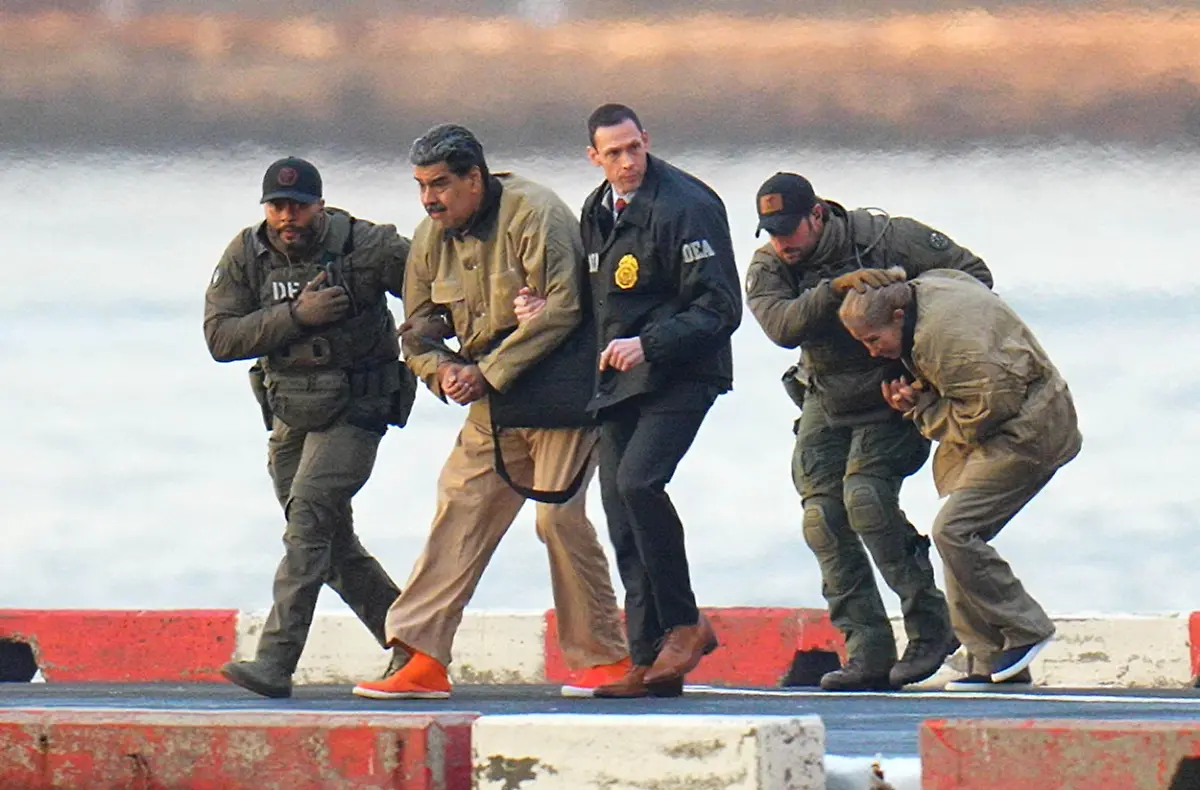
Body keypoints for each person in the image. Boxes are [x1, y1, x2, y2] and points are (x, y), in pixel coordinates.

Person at [350, 123, 629, 701]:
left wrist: (487, 372)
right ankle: (420, 656)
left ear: (475, 178)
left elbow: (564, 310)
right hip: (492, 407)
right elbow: (417, 328)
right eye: (421, 186)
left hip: (562, 399)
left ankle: (604, 657)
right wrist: (440, 370)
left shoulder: (536, 214)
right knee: (460, 509)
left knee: (558, 520)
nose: (430, 199)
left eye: (441, 185)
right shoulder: (431, 237)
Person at [744, 172, 994, 690]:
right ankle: (868, 651)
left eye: (790, 228)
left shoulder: (886, 239)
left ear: (817, 215)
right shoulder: (771, 264)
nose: (781, 241)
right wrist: (832, 290)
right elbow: (782, 326)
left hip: (893, 393)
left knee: (866, 499)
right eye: (771, 231)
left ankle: (932, 628)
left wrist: (913, 339)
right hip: (826, 394)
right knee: (822, 517)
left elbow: (974, 279)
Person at [204, 156, 415, 698]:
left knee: (308, 525)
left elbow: (436, 283)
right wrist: (297, 316)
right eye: (277, 206)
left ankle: (274, 662)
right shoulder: (247, 254)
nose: (287, 217)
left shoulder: (365, 246)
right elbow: (220, 339)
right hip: (292, 413)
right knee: (331, 544)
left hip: (356, 407)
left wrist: (430, 334)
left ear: (320, 205)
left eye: (298, 206)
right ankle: (416, 643)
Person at [839, 269, 1080, 690]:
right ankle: (991, 658)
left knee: (954, 530)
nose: (874, 352)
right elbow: (965, 273)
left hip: (1031, 432)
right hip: (1016, 421)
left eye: (874, 340)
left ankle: (1025, 629)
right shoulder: (928, 290)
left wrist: (920, 408)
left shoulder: (947, 343)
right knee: (956, 534)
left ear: (898, 315)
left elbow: (984, 413)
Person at [575, 103, 742, 697]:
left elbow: (722, 309)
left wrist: (648, 344)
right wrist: (544, 311)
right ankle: (648, 659)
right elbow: (597, 297)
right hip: (619, 381)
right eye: (613, 153)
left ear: (647, 140)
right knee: (621, 512)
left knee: (642, 482)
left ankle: (684, 623)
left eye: (633, 148)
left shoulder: (687, 205)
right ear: (594, 157)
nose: (626, 162)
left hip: (682, 373)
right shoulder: (597, 209)